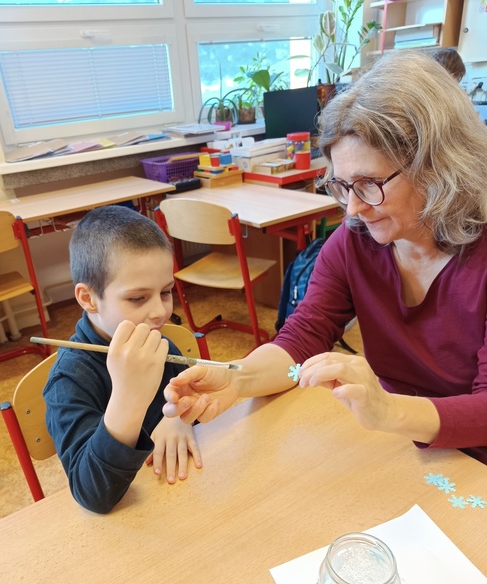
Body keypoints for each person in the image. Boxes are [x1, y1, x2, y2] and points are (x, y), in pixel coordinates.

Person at [163, 50, 487, 464]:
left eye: (369, 183)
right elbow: (302, 339)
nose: (352, 208)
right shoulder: (356, 242)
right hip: (406, 443)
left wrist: (388, 410)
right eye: (342, 185)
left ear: (438, 167)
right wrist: (237, 379)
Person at [44, 205, 202, 514]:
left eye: (166, 292)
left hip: (181, 499)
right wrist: (129, 397)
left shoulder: (159, 342)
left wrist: (179, 418)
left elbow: (192, 405)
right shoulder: (69, 380)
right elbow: (93, 495)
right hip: (130, 518)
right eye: (137, 298)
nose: (159, 312)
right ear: (89, 298)